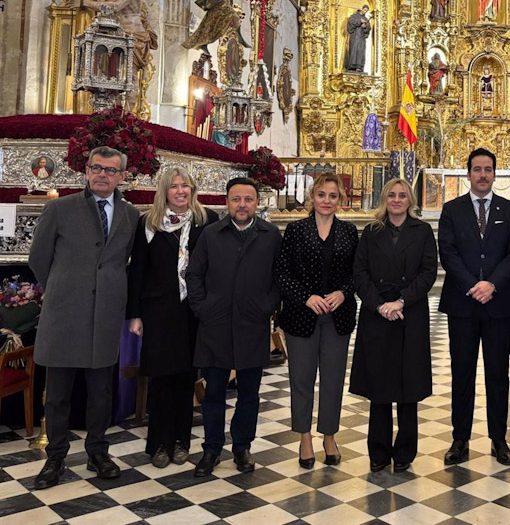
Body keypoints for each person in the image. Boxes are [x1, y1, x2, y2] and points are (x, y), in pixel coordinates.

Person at [29, 147, 140, 489]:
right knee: (58, 395)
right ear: (87, 171)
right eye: (96, 168)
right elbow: (38, 258)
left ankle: (97, 451)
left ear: (122, 176)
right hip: (64, 316)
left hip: (105, 317)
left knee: (100, 393)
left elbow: (130, 262)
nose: (102, 175)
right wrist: (64, 289)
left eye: (110, 170)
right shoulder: (60, 209)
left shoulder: (130, 215)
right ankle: (56, 457)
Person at [187, 177, 282, 477]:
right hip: (215, 325)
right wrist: (202, 307)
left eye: (248, 199)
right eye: (236, 199)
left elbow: (280, 278)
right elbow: (194, 274)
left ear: (257, 203)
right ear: (227, 202)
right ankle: (212, 448)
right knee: (214, 392)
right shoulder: (211, 234)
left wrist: (267, 306)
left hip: (252, 325)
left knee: (249, 393)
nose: (242, 205)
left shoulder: (270, 235)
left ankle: (242, 446)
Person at [438, 148, 510, 466]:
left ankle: (498, 438)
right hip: (462, 303)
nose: (483, 174)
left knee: (498, 373)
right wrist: (472, 285)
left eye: (488, 169)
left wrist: (492, 284)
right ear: (468, 174)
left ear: (495, 173)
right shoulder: (452, 209)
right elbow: (447, 252)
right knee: (462, 372)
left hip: (498, 303)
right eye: (477, 169)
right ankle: (459, 439)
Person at [127, 167, 219, 467]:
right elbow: (137, 271)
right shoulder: (149, 224)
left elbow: (213, 269)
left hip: (191, 311)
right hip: (158, 311)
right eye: (174, 186)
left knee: (185, 378)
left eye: (185, 186)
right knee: (160, 378)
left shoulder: (207, 221)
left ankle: (181, 441)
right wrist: (135, 315)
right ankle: (158, 445)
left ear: (193, 189)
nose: (180, 191)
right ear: (164, 191)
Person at [350, 179, 438, 472]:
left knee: (408, 385)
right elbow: (359, 273)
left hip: (409, 313)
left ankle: (404, 452)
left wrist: (401, 301)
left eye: (402, 195)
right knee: (379, 385)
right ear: (384, 199)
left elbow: (427, 274)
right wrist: (379, 305)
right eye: (392, 195)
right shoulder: (371, 232)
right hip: (377, 314)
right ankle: (378, 451)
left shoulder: (423, 231)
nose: (397, 200)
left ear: (410, 200)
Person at [276, 173, 358, 468]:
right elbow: (282, 272)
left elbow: (357, 274)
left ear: (340, 200)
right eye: (322, 194)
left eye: (333, 196)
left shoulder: (349, 232)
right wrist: (306, 297)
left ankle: (329, 435)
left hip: (337, 317)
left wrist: (342, 292)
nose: (326, 201)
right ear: (312, 197)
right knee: (301, 378)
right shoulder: (296, 230)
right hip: (302, 315)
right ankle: (305, 437)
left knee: (333, 379)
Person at [345, 5, 372, 72]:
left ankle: (359, 67)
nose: (365, 11)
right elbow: (351, 22)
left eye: (366, 11)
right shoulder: (354, 16)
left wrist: (365, 27)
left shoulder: (366, 19)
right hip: (354, 37)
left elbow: (368, 29)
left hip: (361, 38)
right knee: (353, 50)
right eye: (364, 9)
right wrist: (360, 21)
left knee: (361, 51)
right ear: (362, 9)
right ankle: (351, 66)